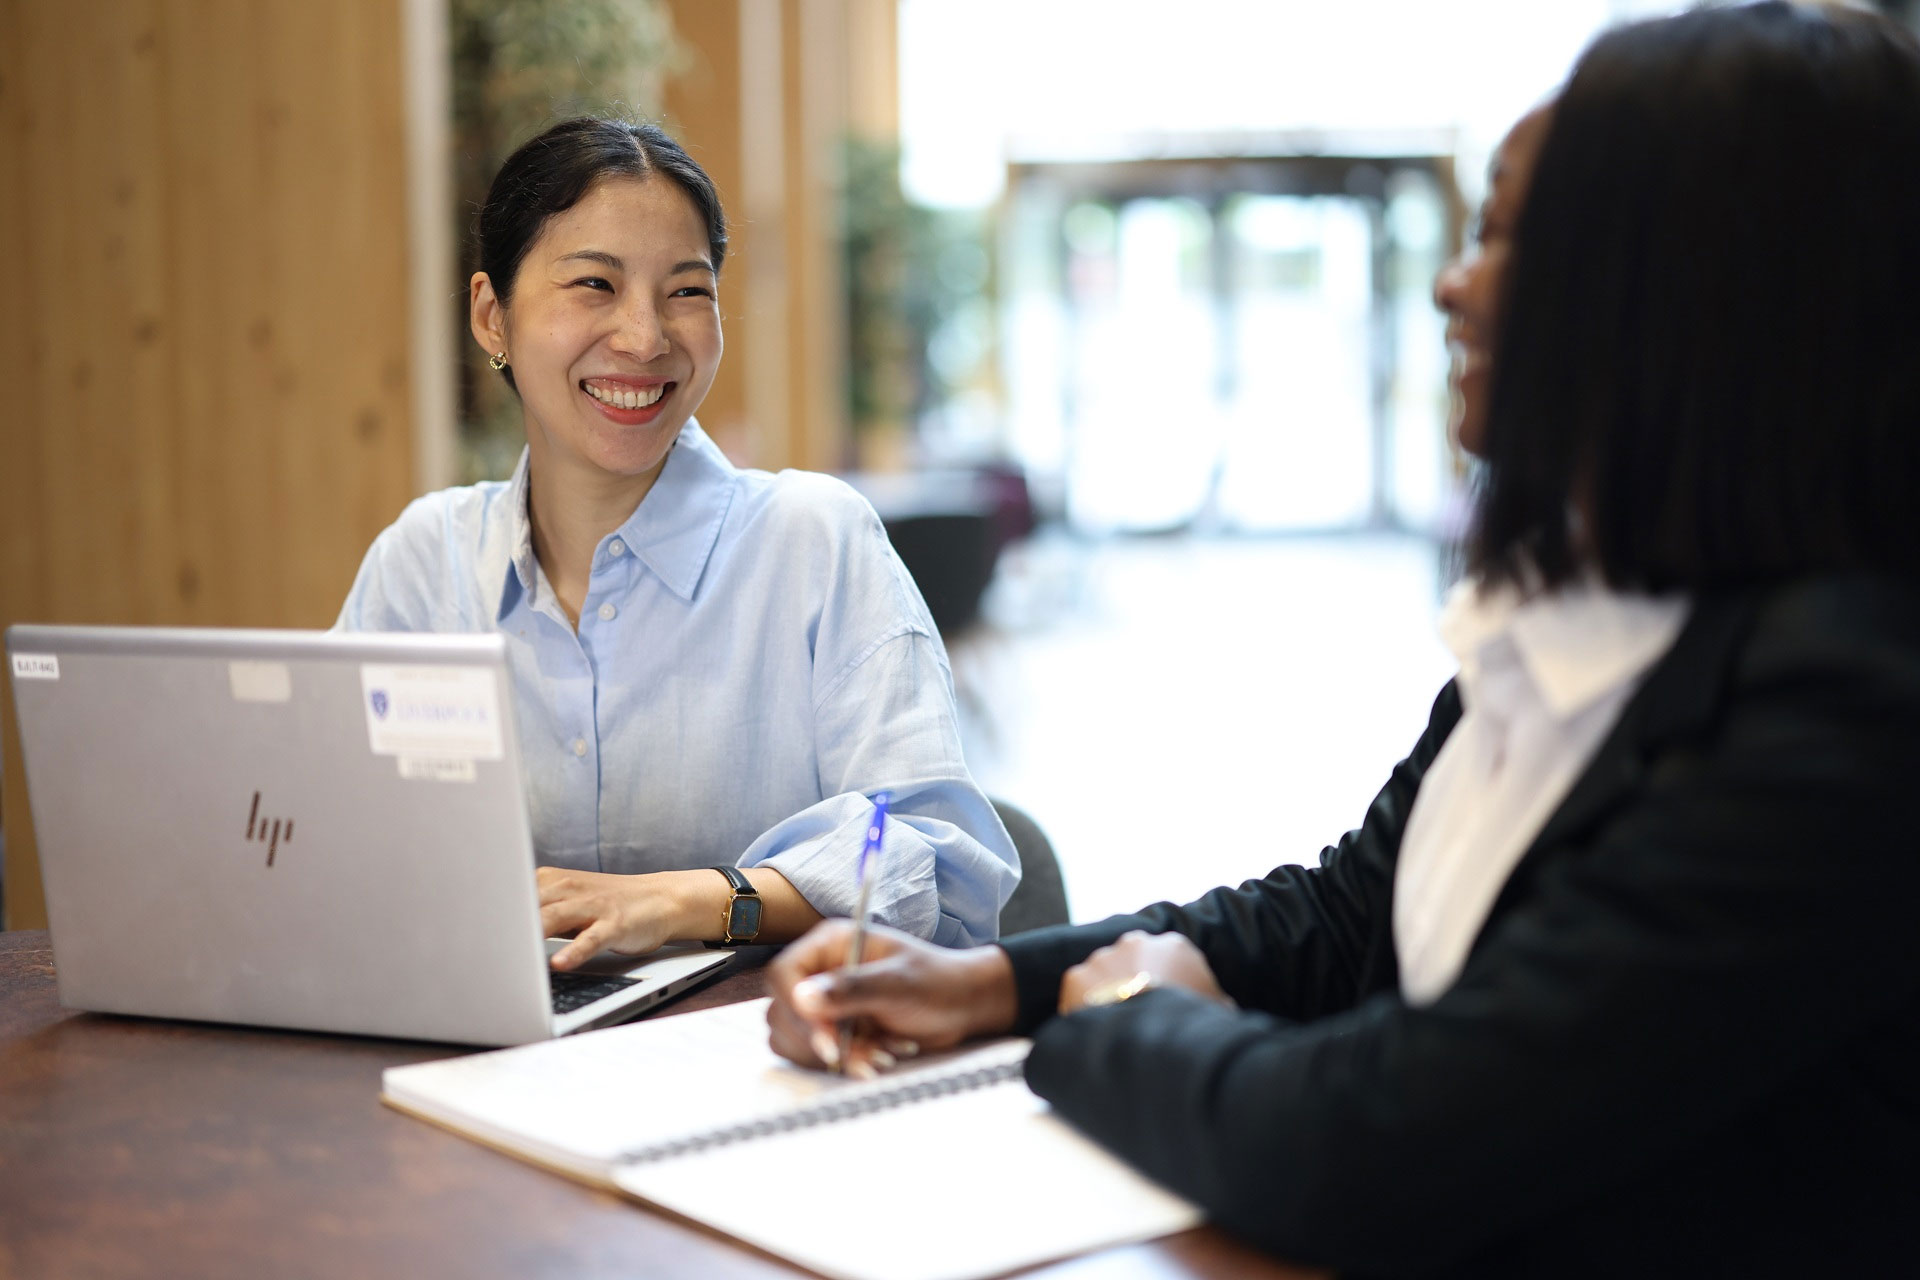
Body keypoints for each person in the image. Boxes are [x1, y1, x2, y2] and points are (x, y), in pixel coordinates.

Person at [763, 5, 1920, 1275]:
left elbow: (1369, 1141)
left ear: (1712, 292)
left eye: (1521, 239)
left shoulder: (1845, 714)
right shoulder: (1578, 622)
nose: (1451, 283)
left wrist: (1124, 1017)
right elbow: (1339, 917)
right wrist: (989, 985)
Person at [337, 119, 1018, 967]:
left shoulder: (814, 545)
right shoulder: (422, 564)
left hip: (761, 1060)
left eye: (687, 292)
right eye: (594, 284)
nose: (646, 337)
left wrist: (692, 898)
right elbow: (331, 849)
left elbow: (936, 864)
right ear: (491, 316)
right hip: (483, 1054)